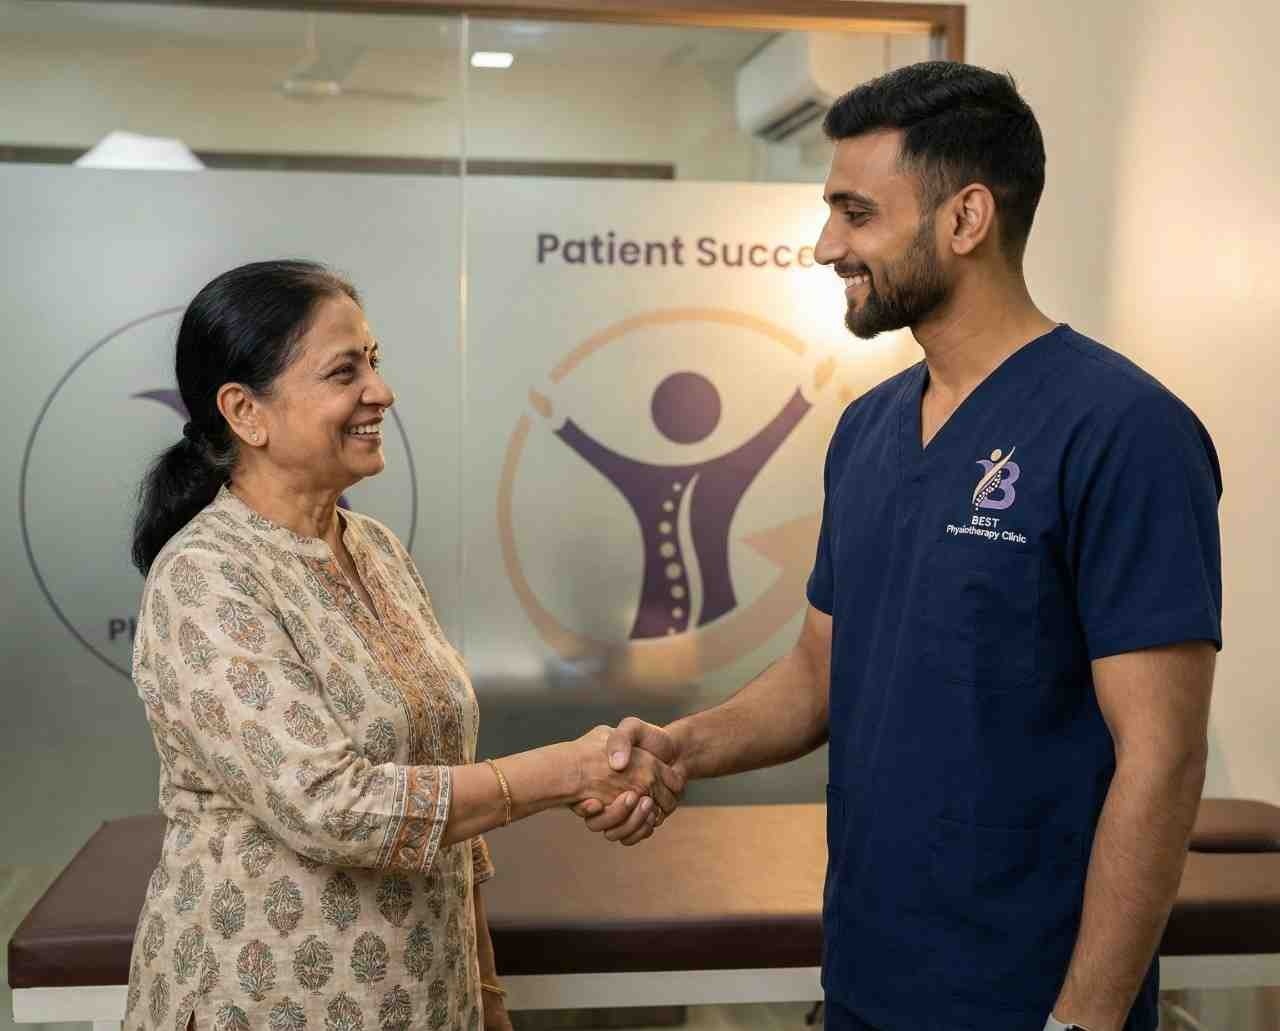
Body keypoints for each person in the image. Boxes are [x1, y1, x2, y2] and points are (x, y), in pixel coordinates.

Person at [581, 62, 1222, 1031]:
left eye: (854, 211)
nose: (823, 244)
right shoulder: (870, 428)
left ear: (964, 220)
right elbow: (816, 678)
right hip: (868, 975)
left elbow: (1161, 756)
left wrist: (1083, 1018)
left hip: (1027, 993)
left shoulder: (1120, 429)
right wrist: (679, 746)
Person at [126, 260, 679, 1031]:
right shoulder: (205, 577)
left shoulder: (376, 548)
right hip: (264, 1004)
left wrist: (487, 996)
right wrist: (563, 771)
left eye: (374, 363)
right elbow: (335, 805)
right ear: (245, 411)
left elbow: (444, 788)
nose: (380, 392)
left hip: (426, 998)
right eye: (343, 371)